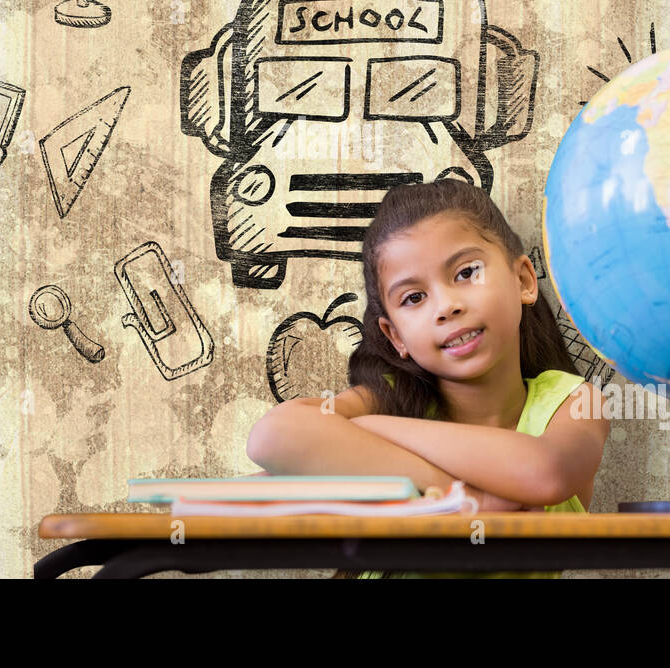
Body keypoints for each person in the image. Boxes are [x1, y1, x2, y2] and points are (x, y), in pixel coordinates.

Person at [245, 179, 610, 578]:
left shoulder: (575, 403)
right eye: (414, 298)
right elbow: (270, 438)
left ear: (523, 280)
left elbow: (546, 472)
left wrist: (372, 428)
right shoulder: (387, 397)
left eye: (466, 272)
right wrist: (466, 499)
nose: (446, 307)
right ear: (396, 336)